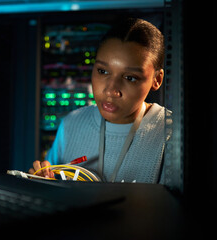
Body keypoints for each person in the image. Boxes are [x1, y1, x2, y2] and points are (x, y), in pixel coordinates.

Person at [29, 18, 170, 184]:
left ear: (157, 79)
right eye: (102, 71)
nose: (111, 90)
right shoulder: (72, 125)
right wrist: (40, 183)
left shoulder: (170, 134)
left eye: (130, 77)